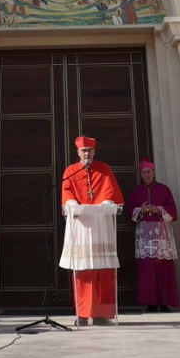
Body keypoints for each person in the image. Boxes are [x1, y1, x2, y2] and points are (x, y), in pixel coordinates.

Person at [58, 135, 124, 326]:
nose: (86, 154)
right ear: (78, 152)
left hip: (101, 225)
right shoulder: (70, 171)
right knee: (82, 270)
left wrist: (105, 204)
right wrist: (73, 205)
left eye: (89, 150)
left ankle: (101, 314)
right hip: (80, 226)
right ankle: (83, 313)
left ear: (94, 151)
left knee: (102, 269)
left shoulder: (104, 169)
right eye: (83, 151)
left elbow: (110, 191)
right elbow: (67, 193)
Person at [127, 158, 179, 312]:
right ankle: (150, 302)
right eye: (144, 173)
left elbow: (173, 210)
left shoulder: (164, 190)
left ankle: (164, 303)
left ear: (154, 173)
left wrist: (159, 210)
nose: (147, 175)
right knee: (147, 269)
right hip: (145, 236)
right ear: (141, 174)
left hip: (161, 235)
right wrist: (140, 211)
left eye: (149, 172)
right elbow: (130, 210)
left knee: (163, 268)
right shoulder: (137, 191)